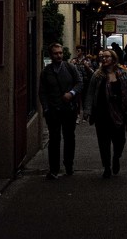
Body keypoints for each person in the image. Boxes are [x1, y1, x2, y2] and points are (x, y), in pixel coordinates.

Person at [85, 48, 127, 178]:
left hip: (119, 113)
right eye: (103, 57)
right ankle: (107, 167)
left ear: (113, 59)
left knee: (120, 141)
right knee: (103, 142)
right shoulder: (97, 75)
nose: (104, 59)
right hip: (102, 113)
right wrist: (88, 110)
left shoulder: (123, 74)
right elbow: (90, 93)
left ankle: (116, 157)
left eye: (107, 57)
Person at [39, 43, 83, 179]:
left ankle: (69, 165)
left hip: (68, 109)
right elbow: (42, 92)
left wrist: (72, 93)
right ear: (51, 55)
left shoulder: (70, 68)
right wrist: (46, 108)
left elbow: (80, 82)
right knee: (54, 139)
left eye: (60, 53)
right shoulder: (46, 72)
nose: (59, 55)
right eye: (56, 53)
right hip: (53, 110)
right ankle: (54, 169)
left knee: (69, 137)